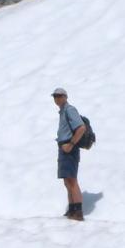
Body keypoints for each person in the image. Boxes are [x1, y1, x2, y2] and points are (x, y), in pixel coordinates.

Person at [52, 87, 86, 221]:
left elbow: (81, 128)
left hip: (69, 149)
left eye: (59, 95)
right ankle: (72, 209)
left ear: (65, 97)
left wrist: (71, 144)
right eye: (55, 96)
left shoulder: (70, 110)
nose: (57, 98)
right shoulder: (62, 112)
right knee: (67, 180)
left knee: (71, 180)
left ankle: (78, 211)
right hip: (64, 148)